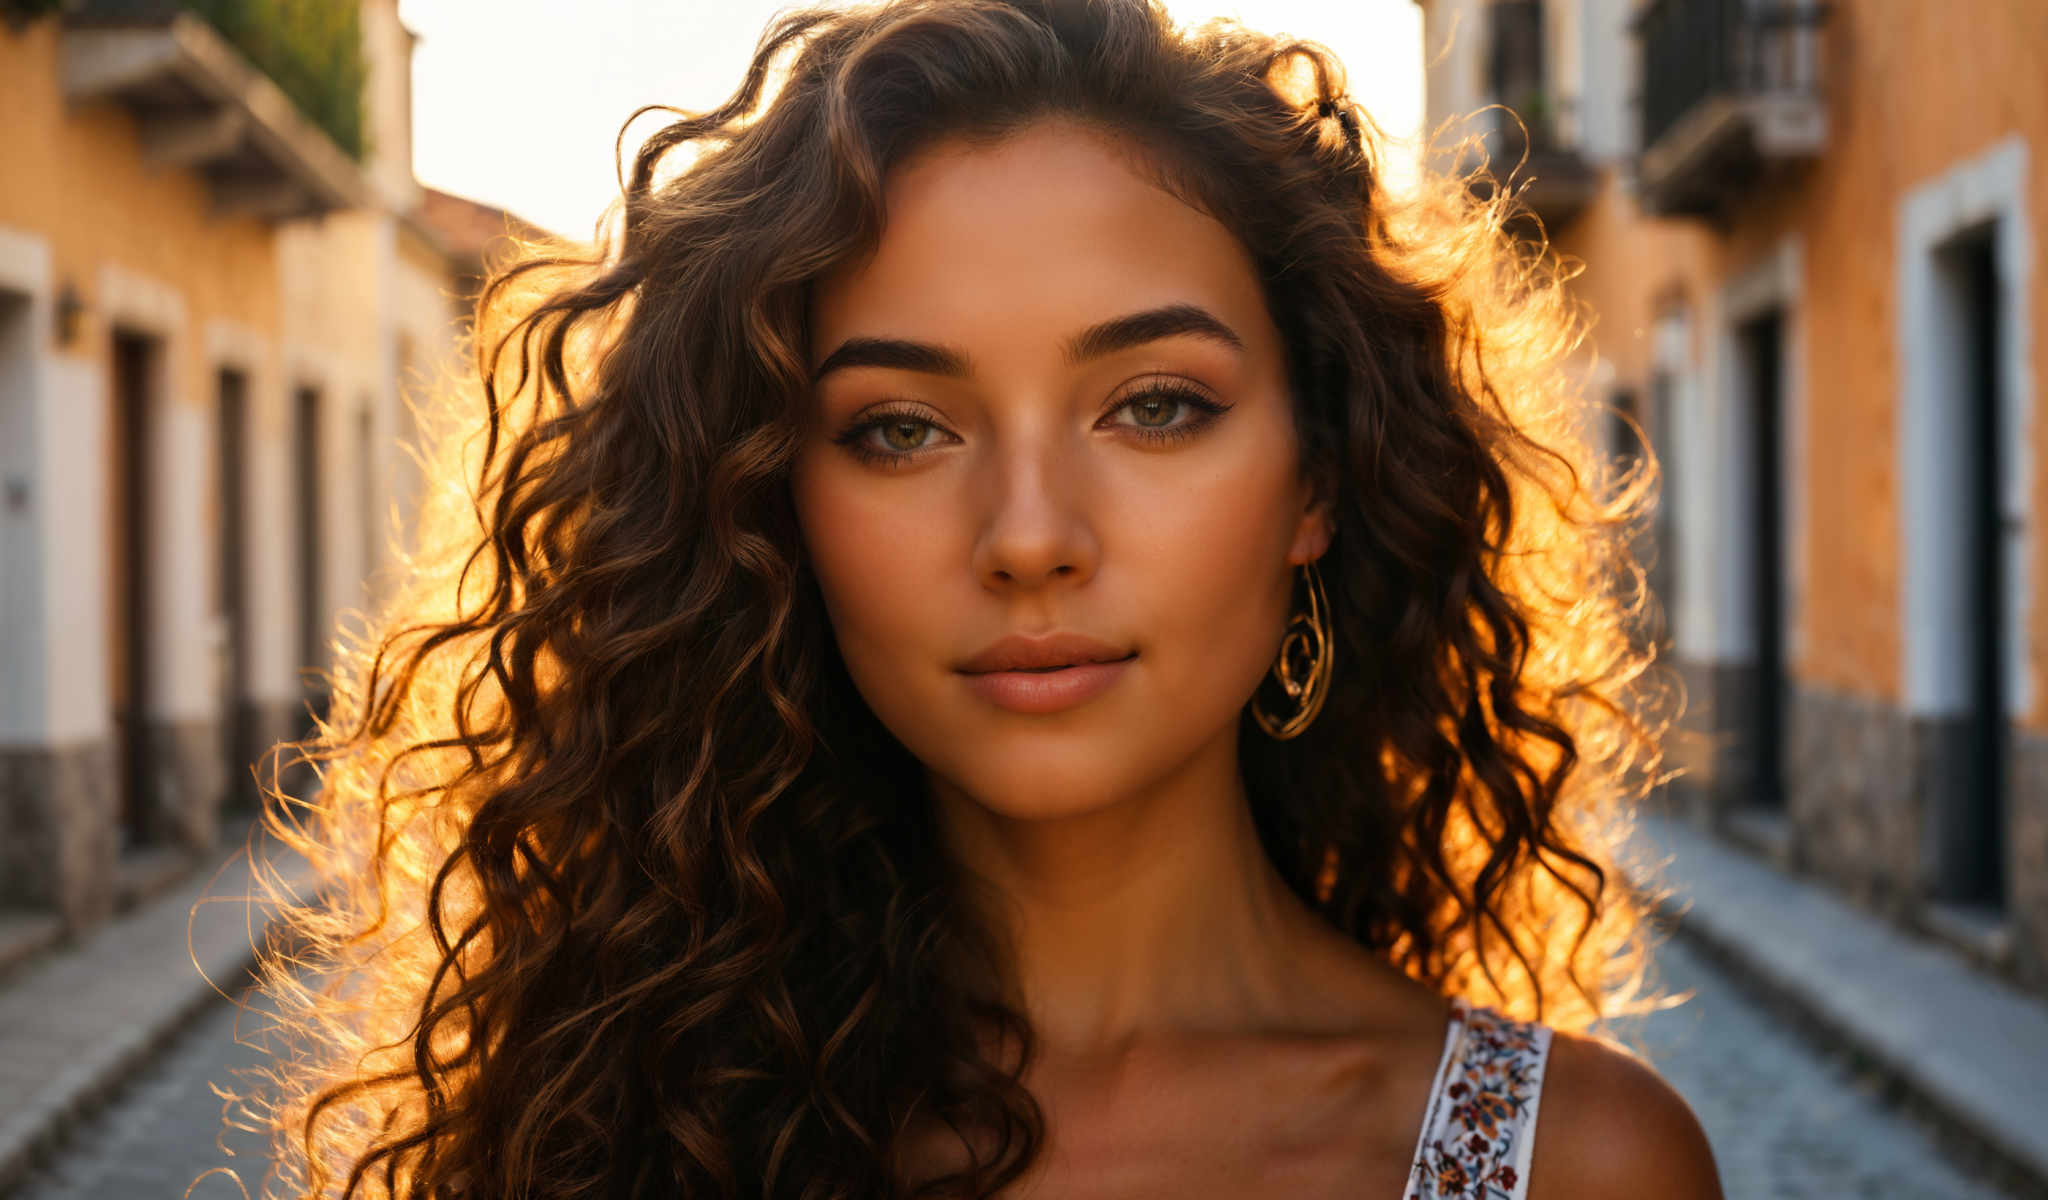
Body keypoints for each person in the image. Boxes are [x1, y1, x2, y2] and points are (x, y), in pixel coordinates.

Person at [240, 1, 1719, 1197]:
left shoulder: (1573, 1169)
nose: (1028, 538)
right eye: (901, 428)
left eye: (1153, 405)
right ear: (774, 510)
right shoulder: (616, 1130)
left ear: (1317, 479)